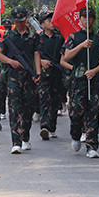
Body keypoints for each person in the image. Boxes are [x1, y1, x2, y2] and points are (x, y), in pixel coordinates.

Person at [61, 7, 99, 159]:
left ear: (94, 19)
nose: (87, 20)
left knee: (93, 113)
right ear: (80, 19)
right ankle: (75, 135)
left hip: (93, 81)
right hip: (77, 82)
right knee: (76, 113)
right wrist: (81, 45)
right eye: (84, 17)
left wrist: (95, 70)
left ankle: (92, 146)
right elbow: (66, 56)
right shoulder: (74, 37)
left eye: (90, 17)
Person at [0, 7, 41, 154]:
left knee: (28, 109)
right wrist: (10, 62)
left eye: (22, 21)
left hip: (29, 77)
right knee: (14, 108)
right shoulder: (9, 36)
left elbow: (36, 54)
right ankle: (16, 141)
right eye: (17, 21)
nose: (20, 24)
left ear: (26, 18)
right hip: (14, 77)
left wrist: (38, 73)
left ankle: (25, 136)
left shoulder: (33, 36)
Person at [35, 11, 65, 141]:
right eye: (48, 21)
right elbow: (33, 53)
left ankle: (52, 127)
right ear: (42, 24)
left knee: (55, 100)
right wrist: (41, 61)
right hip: (43, 74)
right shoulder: (38, 38)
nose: (51, 23)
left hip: (57, 73)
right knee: (45, 99)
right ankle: (45, 126)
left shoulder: (60, 38)